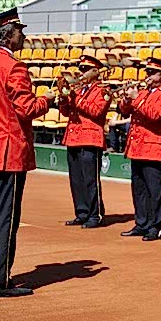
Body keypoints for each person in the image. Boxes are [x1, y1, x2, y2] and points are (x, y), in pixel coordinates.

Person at [0, 8, 54, 299]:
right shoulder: (14, 67)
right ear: (7, 35)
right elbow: (27, 109)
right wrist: (46, 100)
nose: (23, 36)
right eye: (20, 31)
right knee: (6, 218)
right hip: (8, 151)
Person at [118, 58, 161, 241]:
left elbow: (155, 114)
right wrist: (126, 98)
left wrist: (136, 97)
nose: (148, 76)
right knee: (139, 189)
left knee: (154, 190)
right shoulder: (143, 92)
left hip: (154, 148)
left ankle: (155, 226)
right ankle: (141, 223)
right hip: (138, 147)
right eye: (147, 73)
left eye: (152, 73)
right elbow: (125, 111)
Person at [59, 54, 111, 229]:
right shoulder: (78, 89)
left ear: (96, 71)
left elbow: (96, 111)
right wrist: (63, 98)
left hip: (90, 138)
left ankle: (95, 214)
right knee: (76, 180)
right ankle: (82, 213)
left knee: (90, 179)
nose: (82, 73)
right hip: (74, 137)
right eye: (81, 69)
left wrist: (75, 98)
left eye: (86, 70)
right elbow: (66, 113)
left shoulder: (102, 90)